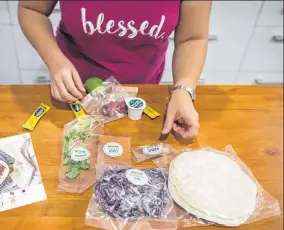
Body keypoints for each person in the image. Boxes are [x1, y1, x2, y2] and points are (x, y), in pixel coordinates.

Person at [18, 1, 211, 139]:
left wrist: (184, 89)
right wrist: (55, 61)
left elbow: (192, 38)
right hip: (74, 88)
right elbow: (32, 9)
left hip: (140, 89)